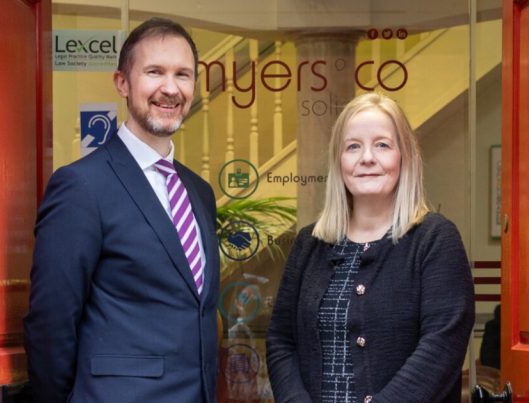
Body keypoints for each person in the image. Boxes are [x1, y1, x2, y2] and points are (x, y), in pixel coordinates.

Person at [24, 18, 220, 403]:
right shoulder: (82, 186)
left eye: (183, 74)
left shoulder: (199, 193)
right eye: (154, 72)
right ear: (122, 83)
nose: (170, 88)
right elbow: (51, 320)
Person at [266, 92, 475, 403]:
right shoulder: (309, 244)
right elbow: (281, 342)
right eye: (353, 146)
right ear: (339, 161)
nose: (366, 158)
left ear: (404, 156)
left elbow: (442, 347)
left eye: (382, 145)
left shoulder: (435, 239)